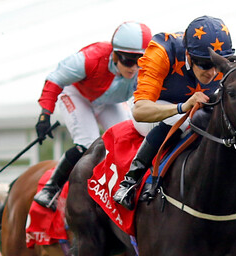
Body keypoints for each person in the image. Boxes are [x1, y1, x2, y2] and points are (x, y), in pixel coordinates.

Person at [113, 15, 234, 210]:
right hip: (154, 106)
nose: (212, 73)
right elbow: (140, 111)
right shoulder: (161, 50)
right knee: (186, 121)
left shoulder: (226, 62)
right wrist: (181, 107)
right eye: (204, 64)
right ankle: (130, 181)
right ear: (188, 56)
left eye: (216, 64)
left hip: (193, 109)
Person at [33, 21, 153, 210]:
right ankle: (50, 188)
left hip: (107, 102)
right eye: (128, 61)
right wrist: (44, 115)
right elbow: (55, 78)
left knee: (130, 140)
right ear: (114, 54)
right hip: (77, 95)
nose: (134, 68)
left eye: (140, 61)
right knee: (87, 143)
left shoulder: (145, 70)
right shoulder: (91, 57)